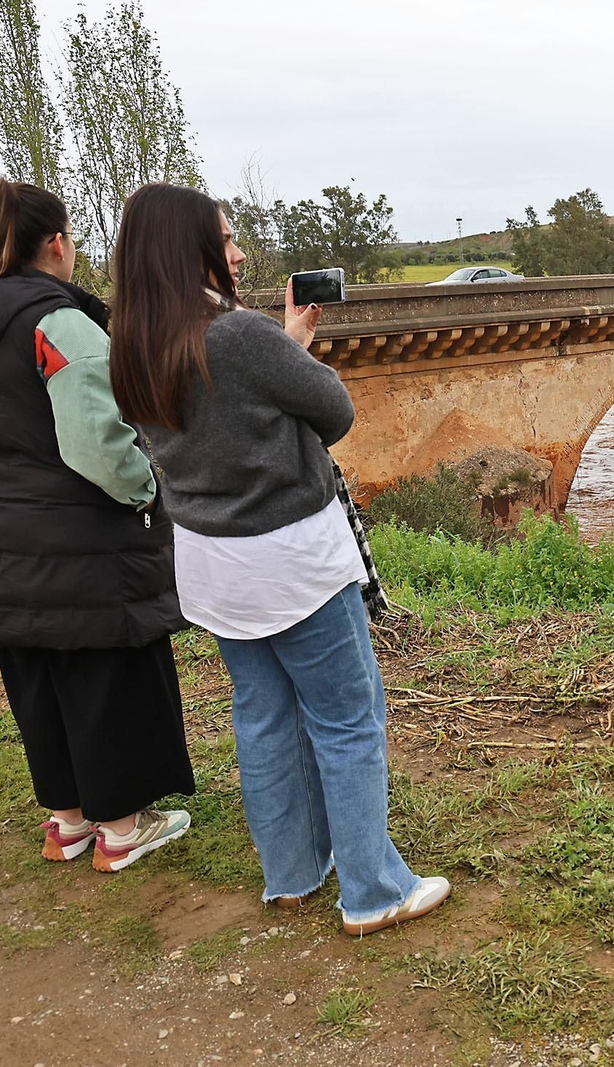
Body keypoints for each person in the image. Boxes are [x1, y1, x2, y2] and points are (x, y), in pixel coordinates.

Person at [107, 183, 449, 936]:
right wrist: (286, 346)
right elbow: (334, 410)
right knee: (347, 718)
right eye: (225, 239)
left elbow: (220, 412)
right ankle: (372, 889)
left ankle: (290, 876)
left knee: (262, 715)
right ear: (187, 248)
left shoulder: (131, 345)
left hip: (210, 562)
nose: (237, 252)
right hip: (290, 560)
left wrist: (282, 343)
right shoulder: (237, 335)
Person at [0, 178, 194, 872]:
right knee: (104, 674)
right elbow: (95, 443)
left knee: (35, 673)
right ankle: (123, 829)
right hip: (82, 542)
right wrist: (145, 490)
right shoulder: (58, 321)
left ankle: (67, 822)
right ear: (58, 244)